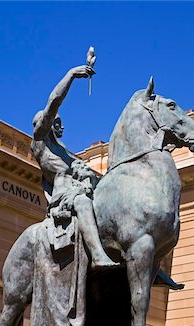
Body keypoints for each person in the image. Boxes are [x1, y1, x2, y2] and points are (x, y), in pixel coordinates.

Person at [31, 65, 118, 269]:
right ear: (47, 123)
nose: (62, 125)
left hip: (80, 189)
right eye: (57, 121)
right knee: (82, 203)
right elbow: (53, 102)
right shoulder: (40, 140)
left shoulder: (65, 153)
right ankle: (97, 256)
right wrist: (71, 75)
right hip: (65, 197)